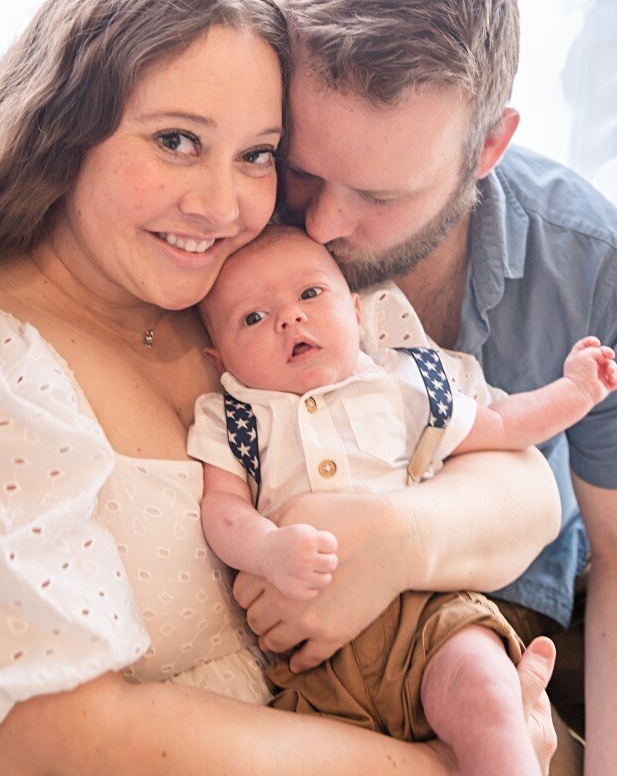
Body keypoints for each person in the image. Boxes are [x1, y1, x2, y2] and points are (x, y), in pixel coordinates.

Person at [0, 0, 559, 776]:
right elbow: (53, 739)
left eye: (258, 154)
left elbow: (521, 478)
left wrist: (404, 537)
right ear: (62, 127)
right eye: (176, 142)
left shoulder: (260, 283)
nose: (223, 205)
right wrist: (455, 765)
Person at [271, 0, 617, 775]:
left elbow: (616, 557)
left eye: (381, 195)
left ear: (487, 147)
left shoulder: (586, 260)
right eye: (305, 169)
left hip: (527, 612)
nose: (322, 221)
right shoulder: (236, 197)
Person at [189, 225, 616, 776]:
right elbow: (222, 510)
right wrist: (267, 550)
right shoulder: (236, 417)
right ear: (217, 355)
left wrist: (576, 392)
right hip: (311, 655)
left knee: (488, 695)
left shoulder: (398, 386)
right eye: (252, 317)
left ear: (358, 314)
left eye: (311, 295)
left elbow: (502, 425)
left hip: (429, 611)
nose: (289, 319)